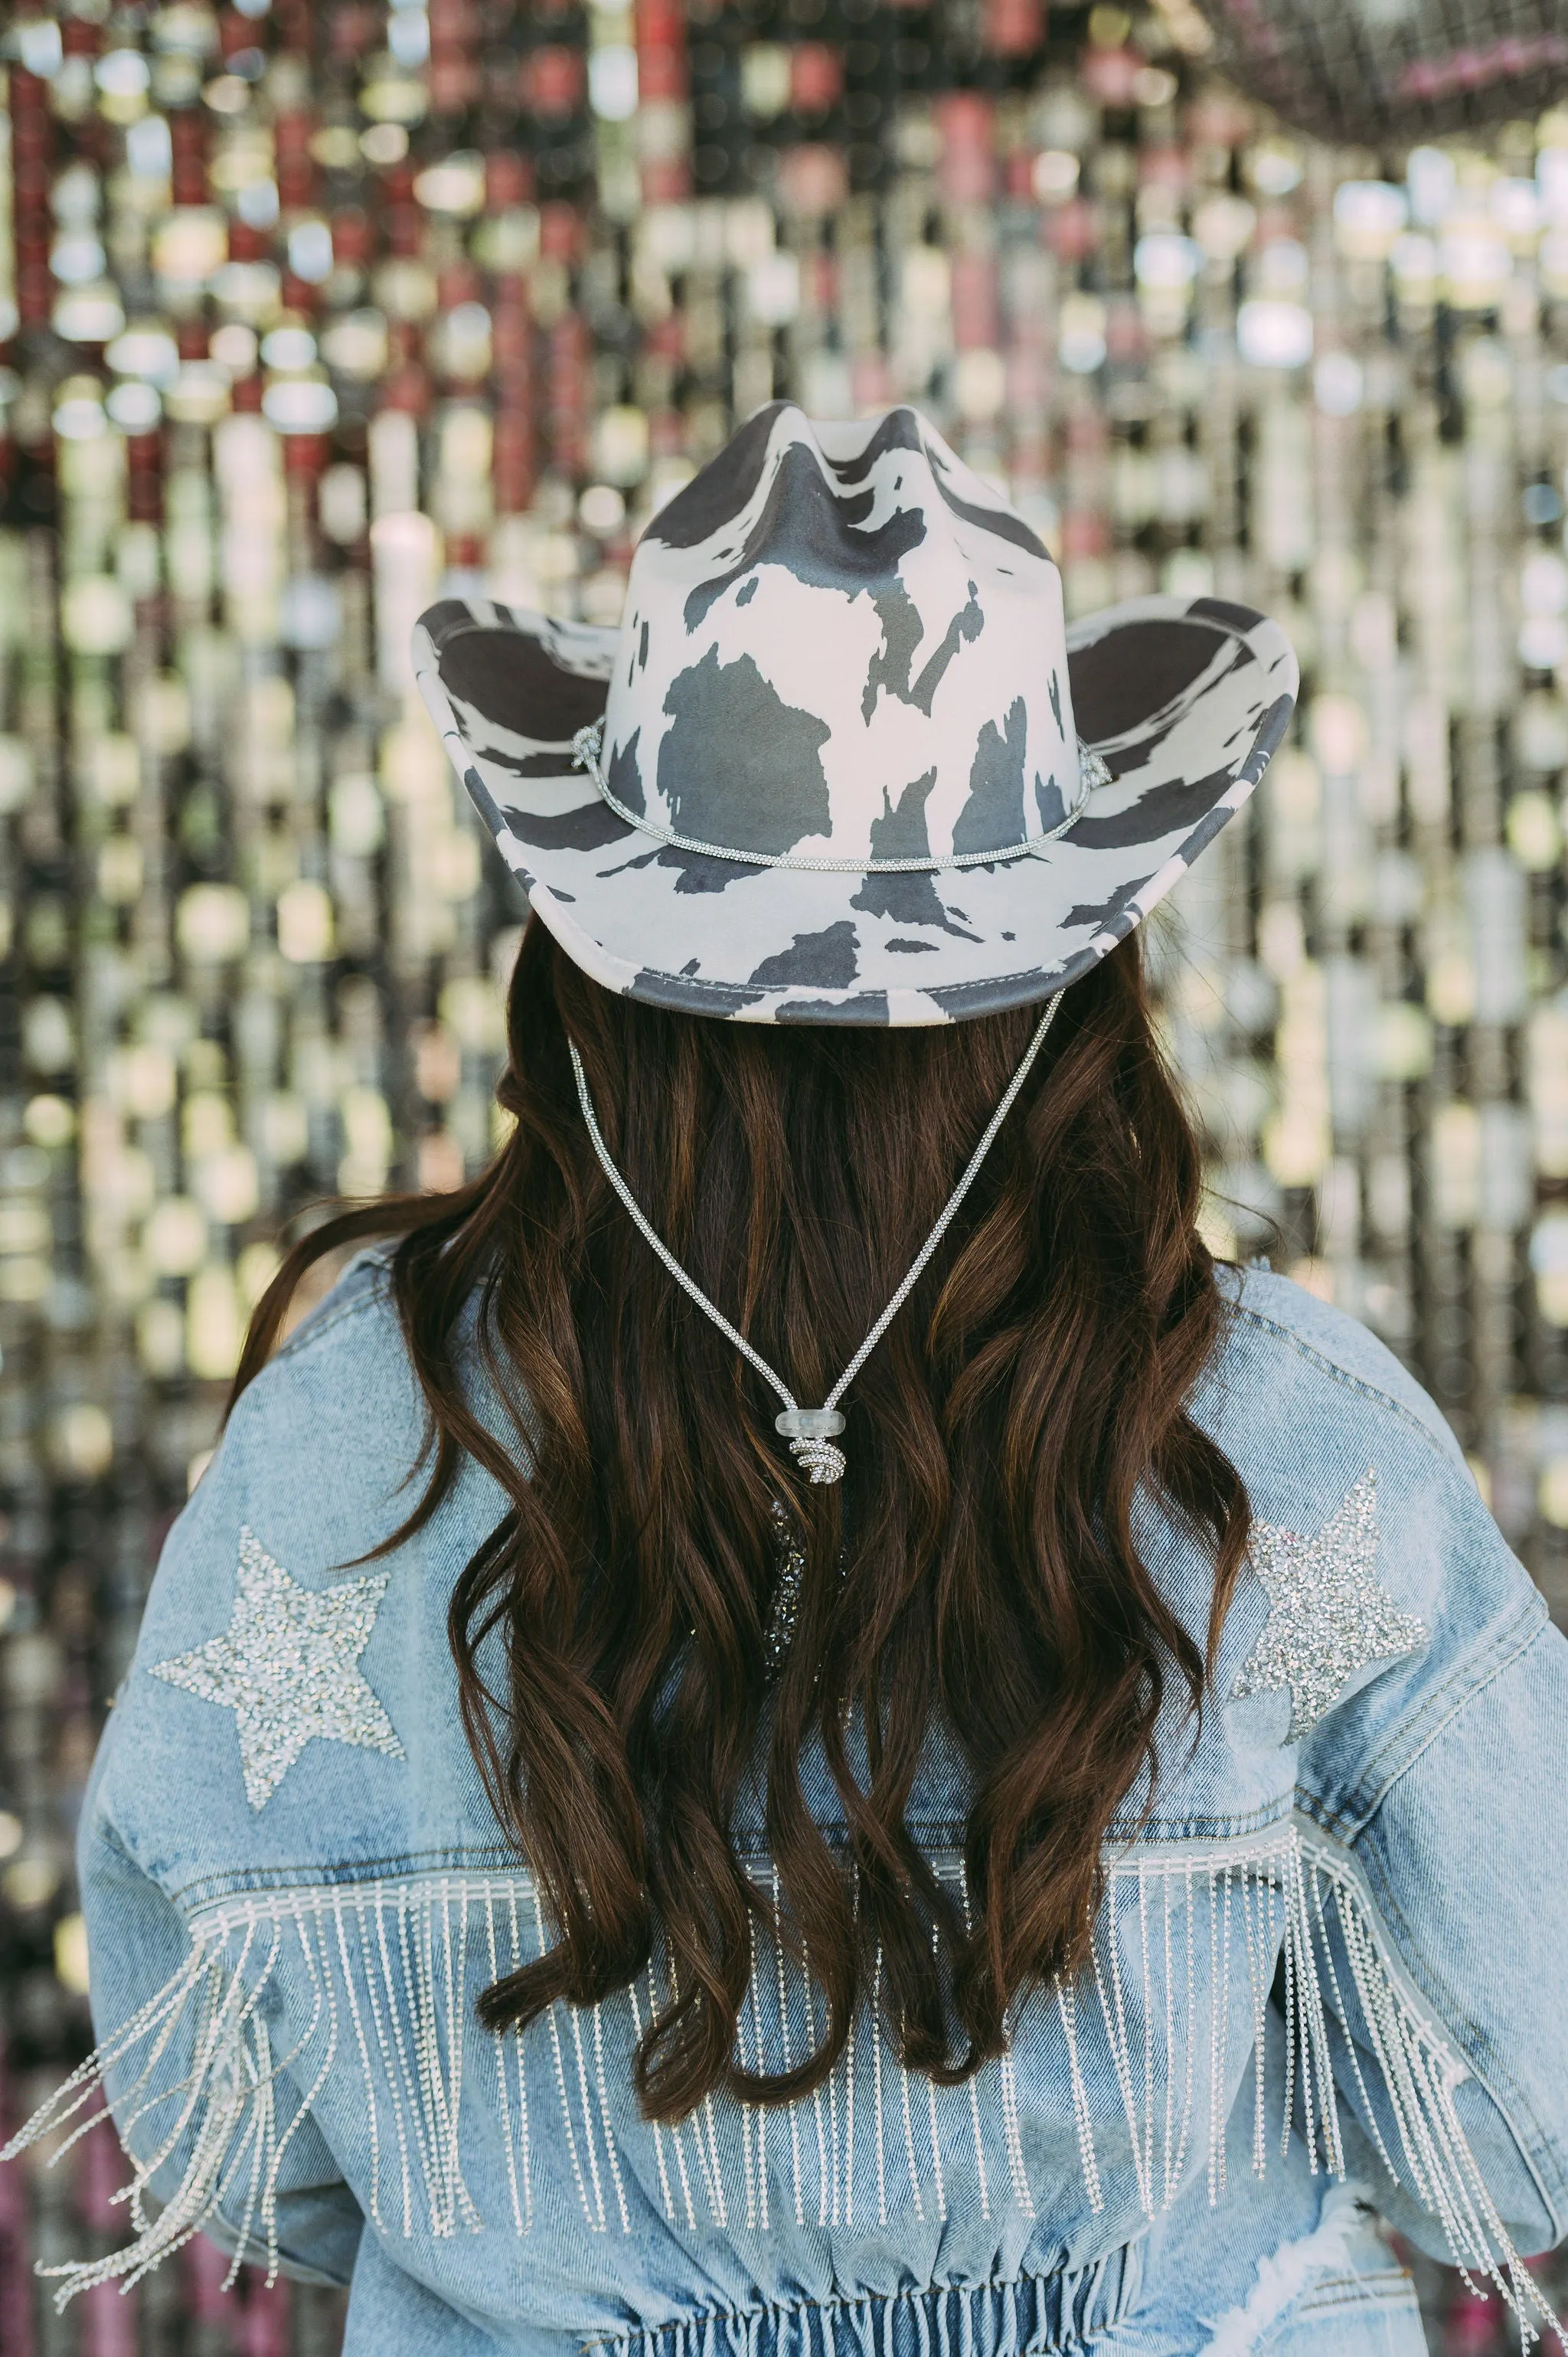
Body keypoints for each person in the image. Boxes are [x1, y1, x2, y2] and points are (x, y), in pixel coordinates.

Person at [7, 406, 1566, 2357]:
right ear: (1073, 984)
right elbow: (1518, 2133)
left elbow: (241, 2168)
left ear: (582, 967)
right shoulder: (1277, 1450)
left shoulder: (344, 1448)